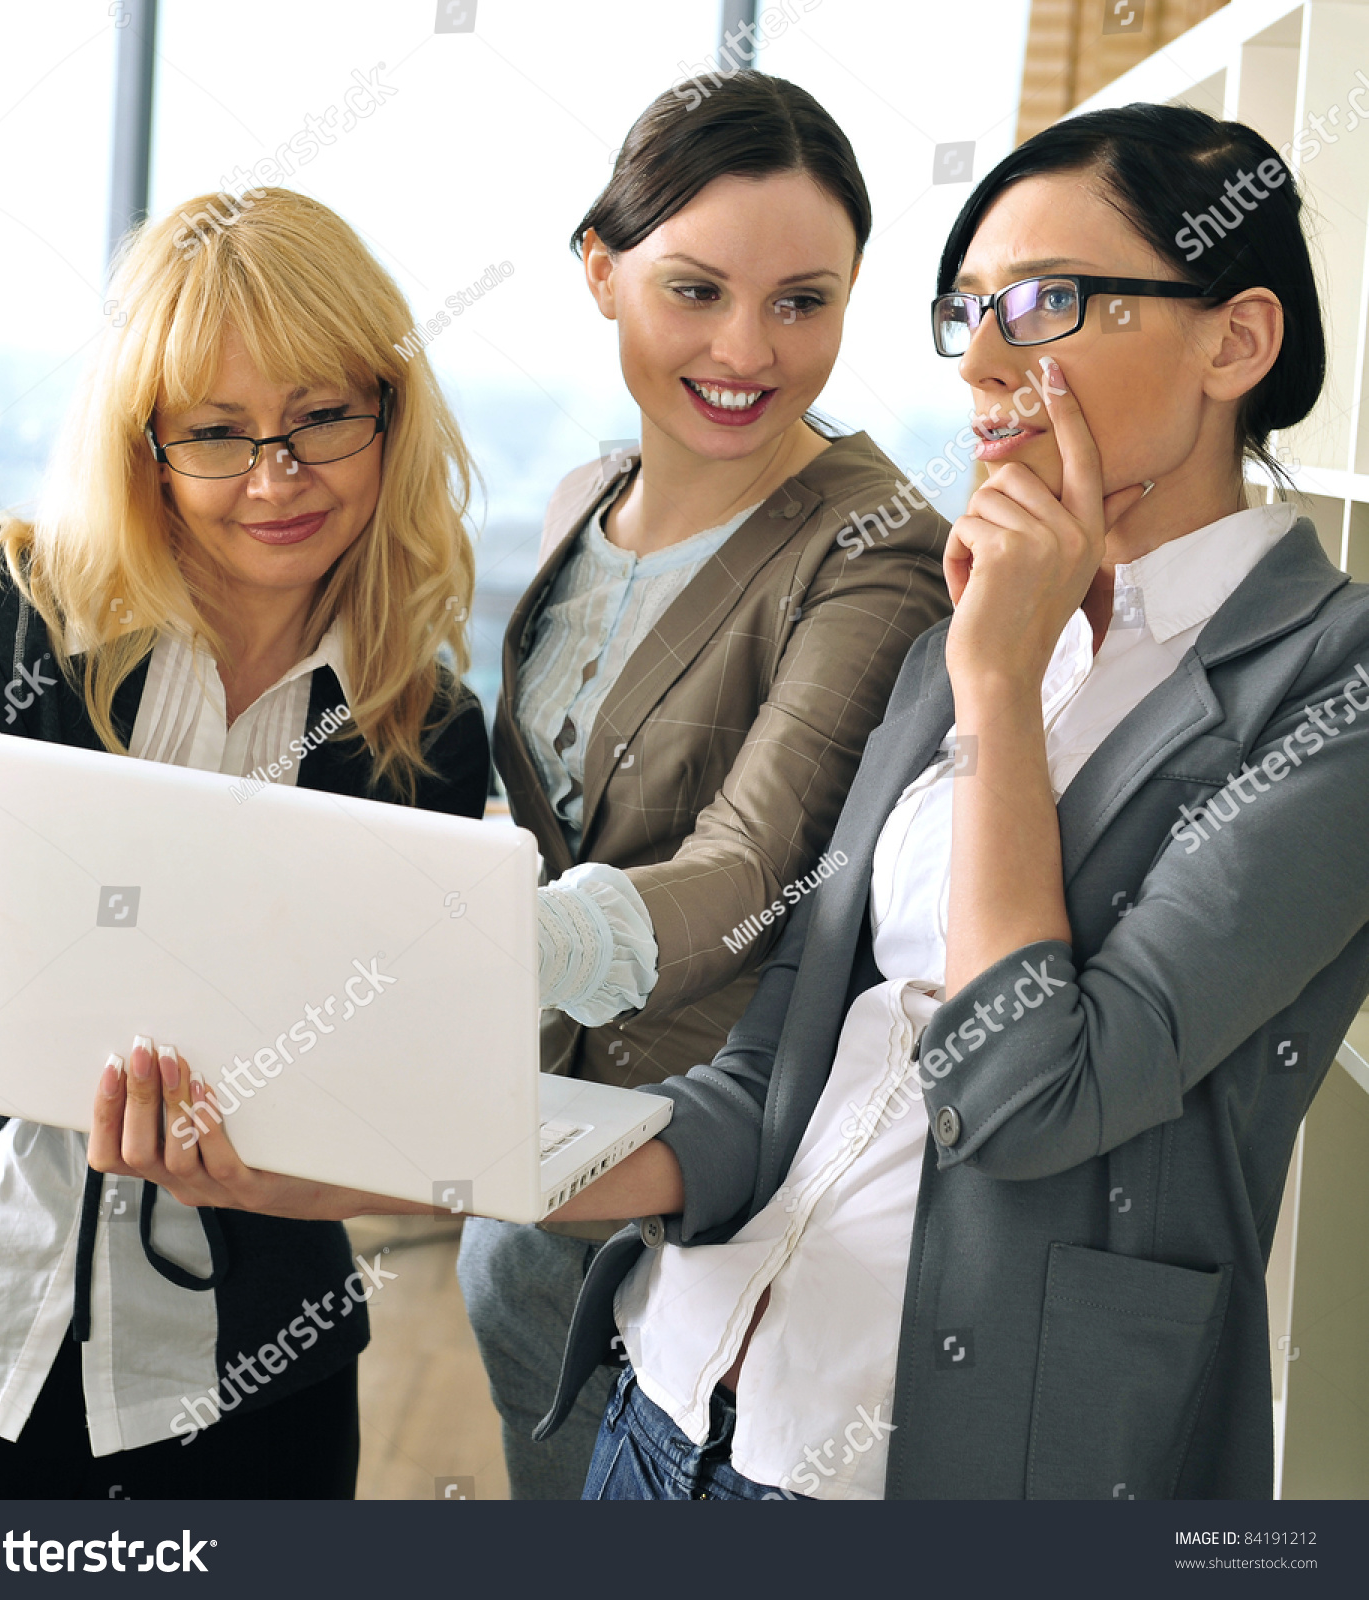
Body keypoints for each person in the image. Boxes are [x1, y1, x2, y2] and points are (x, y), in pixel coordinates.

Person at [105, 100, 1367, 1503]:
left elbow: (1027, 1092)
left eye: (1049, 303)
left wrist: (999, 689)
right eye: (970, 312)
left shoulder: (1314, 686)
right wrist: (360, 1161)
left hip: (943, 1470)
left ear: (1235, 341)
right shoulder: (997, 612)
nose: (988, 362)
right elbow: (767, 1090)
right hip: (680, 1401)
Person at [0, 187, 488, 1499]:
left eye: (323, 416)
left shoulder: (425, 730)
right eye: (218, 433)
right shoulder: (2, 609)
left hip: (260, 1374)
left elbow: (399, 1081)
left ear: (390, 412)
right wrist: (212, 1069)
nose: (278, 478)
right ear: (145, 444)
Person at [456, 70, 952, 1496]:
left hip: (705, 1178)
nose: (749, 349)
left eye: (805, 300)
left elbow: (748, 872)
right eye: (696, 291)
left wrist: (470, 944)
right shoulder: (580, 507)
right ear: (601, 271)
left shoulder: (873, 547)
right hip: (535, 1145)